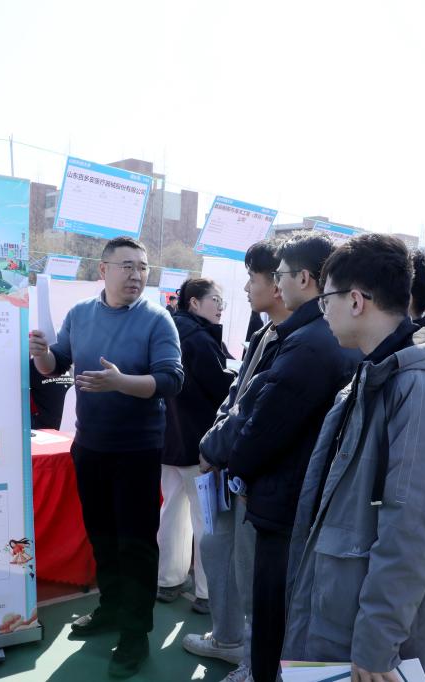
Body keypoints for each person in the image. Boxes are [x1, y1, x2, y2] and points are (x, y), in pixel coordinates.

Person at [283, 233, 425, 682]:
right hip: (349, 613)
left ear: (356, 300)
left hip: (386, 642)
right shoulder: (377, 373)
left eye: (327, 300)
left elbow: (411, 529)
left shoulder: (422, 389)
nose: (324, 312)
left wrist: (377, 642)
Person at [29, 236, 183, 679]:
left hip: (137, 450)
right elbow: (55, 365)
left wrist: (121, 382)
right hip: (90, 446)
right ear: (103, 270)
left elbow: (171, 380)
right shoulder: (80, 314)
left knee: (136, 544)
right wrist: (41, 354)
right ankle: (111, 607)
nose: (137, 275)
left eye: (143, 267)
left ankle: (135, 634)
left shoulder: (157, 319)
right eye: (127, 266)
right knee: (101, 535)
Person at [210, 232, 360, 682]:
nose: (275, 284)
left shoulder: (310, 343)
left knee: (277, 610)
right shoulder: (310, 335)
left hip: (286, 501)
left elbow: (263, 427)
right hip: (297, 496)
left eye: (280, 275)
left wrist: (236, 466)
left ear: (305, 279)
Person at [183, 239, 290, 682]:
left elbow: (260, 416)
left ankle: (251, 658)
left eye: (252, 278)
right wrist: (213, 444)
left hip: (254, 479)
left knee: (250, 574)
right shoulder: (266, 334)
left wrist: (219, 449)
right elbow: (235, 397)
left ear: (284, 282)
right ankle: (228, 639)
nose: (245, 288)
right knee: (215, 548)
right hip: (228, 469)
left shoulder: (301, 340)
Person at [157, 278, 235, 613]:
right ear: (194, 302)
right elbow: (221, 388)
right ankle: (207, 591)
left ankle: (168, 579)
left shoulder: (165, 332)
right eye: (215, 299)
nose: (220, 307)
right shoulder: (200, 340)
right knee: (206, 519)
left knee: (172, 512)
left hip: (168, 440)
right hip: (198, 443)